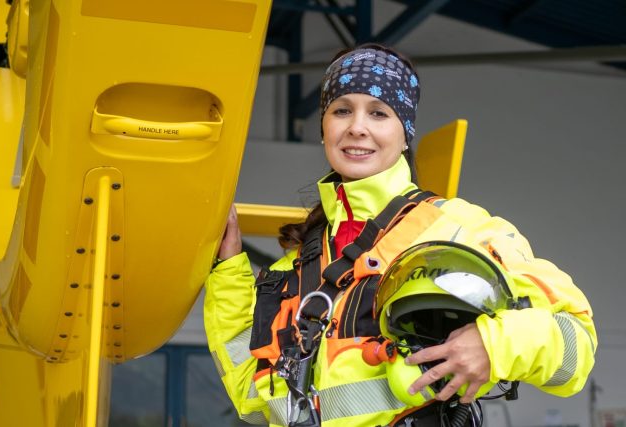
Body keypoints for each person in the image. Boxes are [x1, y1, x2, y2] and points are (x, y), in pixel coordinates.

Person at [204, 44, 597, 427]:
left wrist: (492, 345)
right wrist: (227, 270)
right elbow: (254, 403)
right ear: (324, 128)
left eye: (378, 113)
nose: (357, 127)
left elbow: (577, 344)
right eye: (342, 110)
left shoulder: (460, 228)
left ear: (405, 134)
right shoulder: (294, 268)